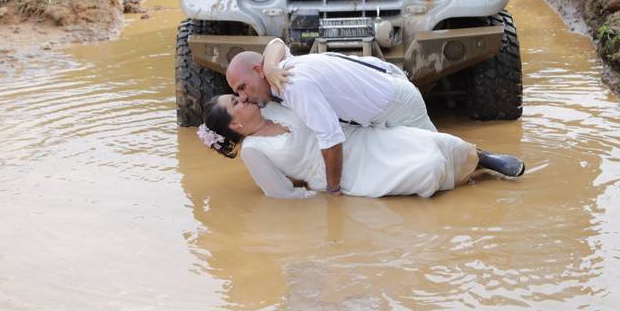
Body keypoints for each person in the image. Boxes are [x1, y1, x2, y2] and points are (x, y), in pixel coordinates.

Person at [198, 94, 526, 200]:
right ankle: (469, 178)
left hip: (356, 140)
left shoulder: (275, 104)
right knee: (427, 168)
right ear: (236, 125)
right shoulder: (254, 151)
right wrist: (328, 198)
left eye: (237, 94)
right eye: (235, 102)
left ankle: (484, 159)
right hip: (344, 171)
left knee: (435, 142)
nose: (242, 97)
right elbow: (282, 196)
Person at [225, 39, 442, 196]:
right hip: (384, 92)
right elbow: (276, 42)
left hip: (396, 104)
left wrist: (333, 189)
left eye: (242, 87)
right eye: (237, 93)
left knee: (440, 151)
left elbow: (331, 140)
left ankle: (476, 163)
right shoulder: (281, 70)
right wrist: (271, 66)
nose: (243, 97)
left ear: (258, 70)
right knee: (434, 154)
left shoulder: (291, 85)